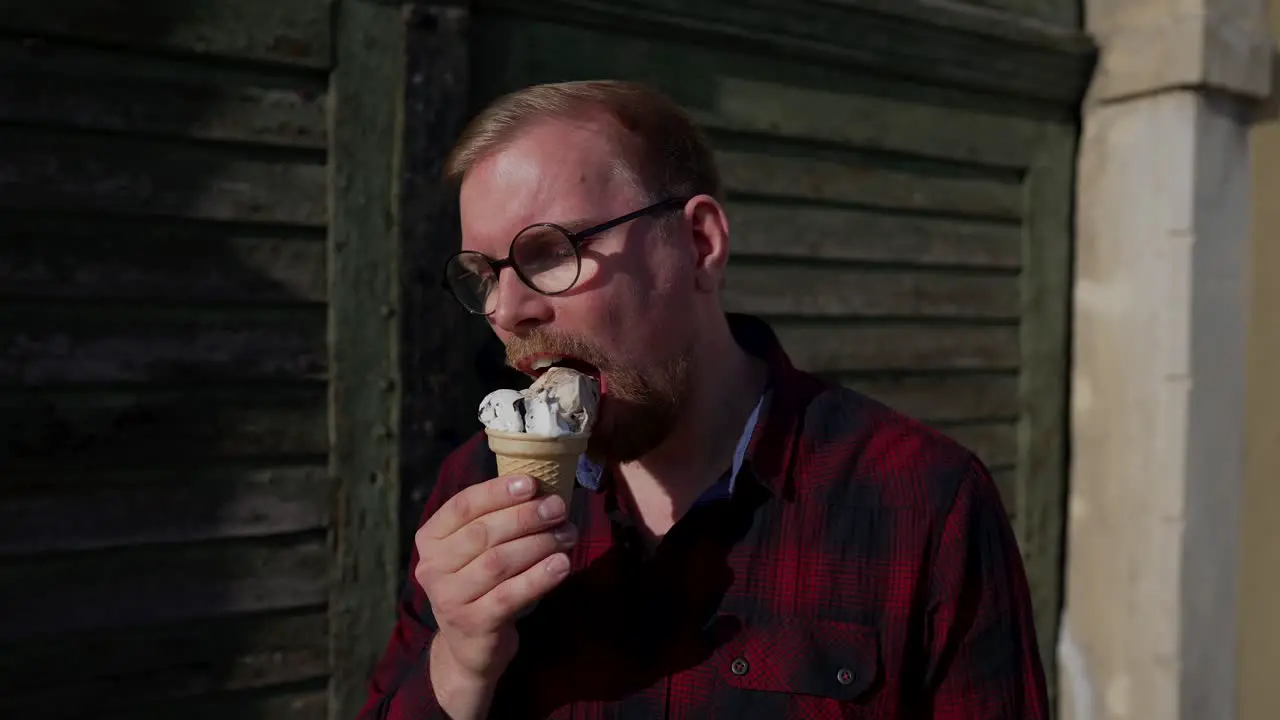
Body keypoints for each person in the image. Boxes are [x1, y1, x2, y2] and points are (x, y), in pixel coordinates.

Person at [360, 79, 1048, 720]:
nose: (509, 310)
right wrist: (456, 667)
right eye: (484, 276)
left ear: (699, 243)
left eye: (548, 251)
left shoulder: (924, 502)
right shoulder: (473, 487)